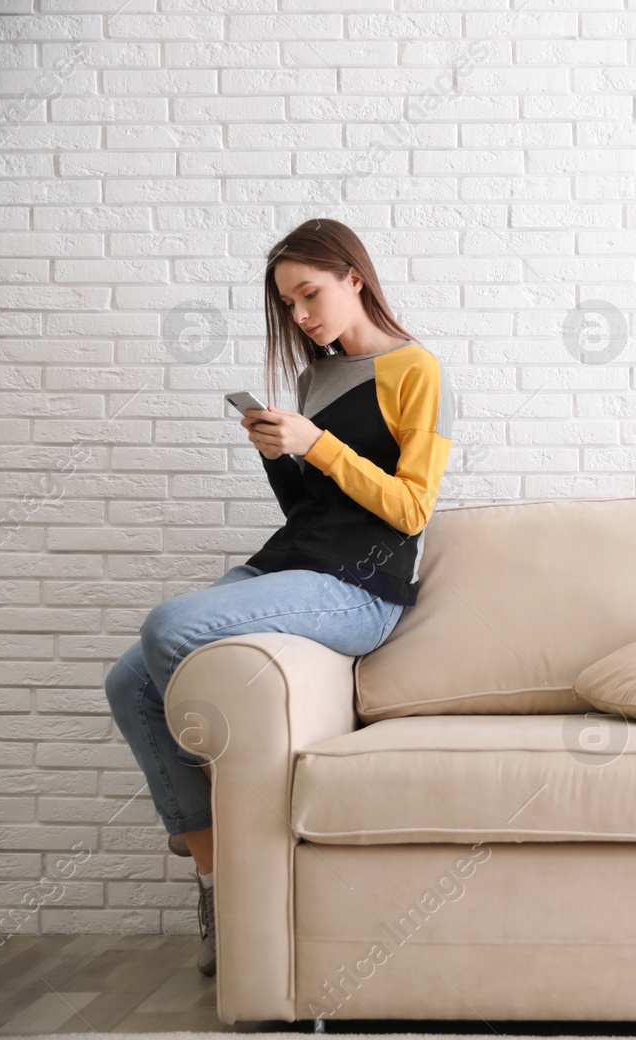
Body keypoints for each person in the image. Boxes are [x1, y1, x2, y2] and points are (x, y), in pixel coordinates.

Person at [105, 218, 454, 976]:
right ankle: (218, 881)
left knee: (169, 625)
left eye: (309, 294)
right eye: (288, 304)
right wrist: (278, 455)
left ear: (353, 277)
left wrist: (317, 443)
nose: (301, 316)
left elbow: (412, 508)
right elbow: (310, 512)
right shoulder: (314, 378)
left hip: (362, 587)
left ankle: (234, 823)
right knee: (127, 679)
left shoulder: (415, 368)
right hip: (294, 563)